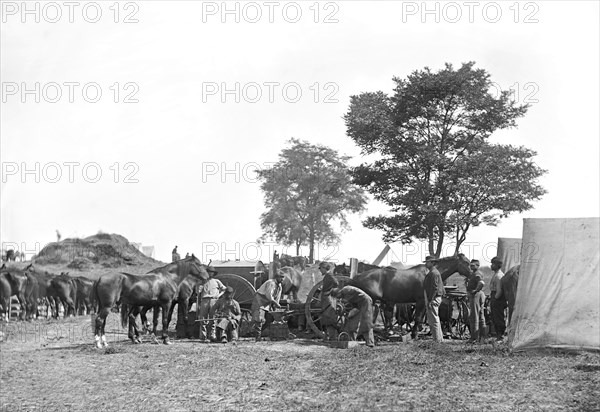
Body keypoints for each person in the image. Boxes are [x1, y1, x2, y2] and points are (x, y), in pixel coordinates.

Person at [251, 270, 284, 341]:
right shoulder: (271, 283)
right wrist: (275, 303)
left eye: (283, 277)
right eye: (281, 277)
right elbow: (269, 295)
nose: (282, 279)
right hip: (259, 300)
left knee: (270, 318)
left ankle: (259, 333)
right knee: (259, 319)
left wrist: (276, 306)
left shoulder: (279, 286)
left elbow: (277, 297)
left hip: (267, 303)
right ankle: (257, 337)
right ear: (277, 277)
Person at [197, 266, 226, 342]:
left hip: (214, 300)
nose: (210, 274)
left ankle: (212, 336)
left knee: (213, 319)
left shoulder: (217, 281)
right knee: (203, 319)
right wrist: (199, 289)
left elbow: (224, 289)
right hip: (204, 300)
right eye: (209, 272)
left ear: (213, 273)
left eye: (211, 272)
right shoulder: (202, 282)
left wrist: (218, 295)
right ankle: (203, 337)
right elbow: (198, 292)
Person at [423, 255, 445, 343]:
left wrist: (430, 300)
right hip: (434, 298)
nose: (426, 264)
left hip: (434, 298)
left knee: (434, 320)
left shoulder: (434, 273)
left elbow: (434, 288)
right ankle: (439, 339)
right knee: (434, 319)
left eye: (427, 262)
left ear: (432, 263)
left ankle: (437, 341)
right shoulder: (432, 272)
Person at [466, 259, 486, 343]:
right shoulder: (474, 273)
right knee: (481, 316)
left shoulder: (477, 273)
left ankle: (474, 338)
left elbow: (481, 283)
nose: (471, 267)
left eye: (473, 265)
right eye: (470, 265)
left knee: (474, 316)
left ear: (478, 266)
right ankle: (482, 337)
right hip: (478, 294)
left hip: (476, 295)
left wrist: (476, 290)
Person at [319, 261, 339, 341]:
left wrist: (329, 291)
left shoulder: (329, 275)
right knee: (326, 318)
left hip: (328, 299)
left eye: (321, 268)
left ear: (324, 268)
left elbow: (336, 283)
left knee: (329, 317)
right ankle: (328, 337)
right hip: (325, 298)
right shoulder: (327, 276)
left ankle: (332, 338)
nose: (320, 270)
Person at [489, 257, 507, 341]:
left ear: (497, 265)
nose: (491, 265)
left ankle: (501, 336)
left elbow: (499, 291)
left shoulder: (499, 276)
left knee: (498, 317)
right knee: (495, 317)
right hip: (494, 296)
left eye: (493, 264)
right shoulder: (496, 274)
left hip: (497, 298)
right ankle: (498, 335)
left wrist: (495, 299)